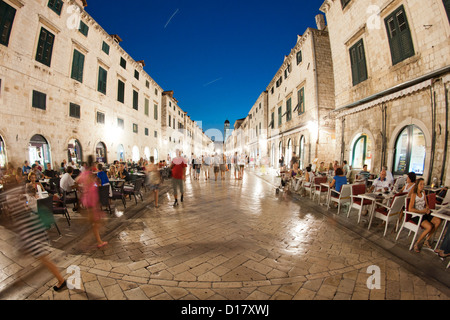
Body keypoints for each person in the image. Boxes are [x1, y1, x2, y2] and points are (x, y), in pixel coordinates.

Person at [2, 183, 66, 291]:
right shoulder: (21, 195)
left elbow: (16, 213)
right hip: (30, 231)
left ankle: (61, 280)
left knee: (43, 259)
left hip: (31, 232)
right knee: (28, 255)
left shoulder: (11, 197)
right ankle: (19, 278)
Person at [76, 155, 108, 248]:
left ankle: (98, 241)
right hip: (91, 200)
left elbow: (77, 181)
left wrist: (81, 189)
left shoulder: (85, 173)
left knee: (95, 222)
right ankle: (87, 242)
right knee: (96, 222)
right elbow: (92, 185)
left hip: (89, 199)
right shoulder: (89, 174)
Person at [409, 178, 442, 253]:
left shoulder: (423, 193)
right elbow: (410, 209)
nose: (422, 186)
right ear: (417, 185)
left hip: (424, 213)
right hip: (416, 215)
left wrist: (427, 209)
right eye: (421, 184)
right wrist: (421, 211)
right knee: (429, 227)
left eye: (423, 184)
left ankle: (427, 240)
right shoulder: (414, 195)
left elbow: (426, 205)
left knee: (438, 221)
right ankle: (416, 243)